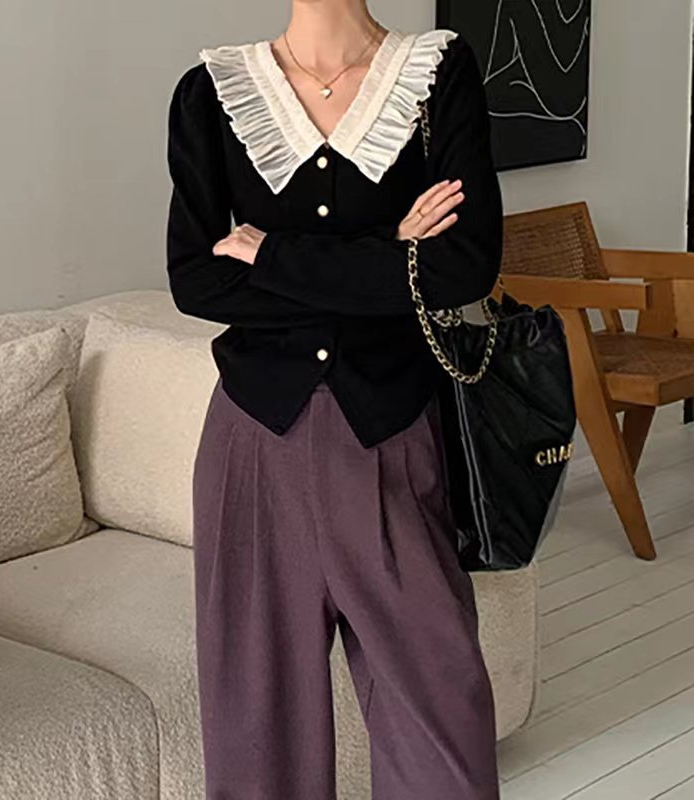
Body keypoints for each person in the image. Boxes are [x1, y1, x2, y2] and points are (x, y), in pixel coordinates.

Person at [166, 1, 503, 797]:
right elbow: (197, 281)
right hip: (254, 442)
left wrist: (272, 255)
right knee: (257, 735)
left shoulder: (437, 75)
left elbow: (462, 268)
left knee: (442, 726)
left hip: (392, 432)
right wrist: (391, 251)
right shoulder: (211, 91)